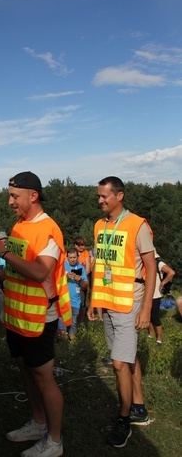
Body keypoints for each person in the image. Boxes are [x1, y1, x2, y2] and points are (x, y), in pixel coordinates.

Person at [0, 171, 71, 457]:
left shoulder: (48, 229)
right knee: (26, 370)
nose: (10, 202)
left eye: (14, 196)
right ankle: (38, 422)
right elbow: (19, 267)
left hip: (39, 318)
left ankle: (55, 441)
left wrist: (3, 253)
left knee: (43, 377)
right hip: (17, 315)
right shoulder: (20, 226)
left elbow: (39, 271)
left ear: (32, 196)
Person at [87, 176, 156, 449]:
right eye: (98, 196)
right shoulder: (98, 226)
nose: (100, 200)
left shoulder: (137, 224)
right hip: (107, 300)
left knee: (118, 364)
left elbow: (150, 268)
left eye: (104, 196)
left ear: (120, 196)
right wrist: (95, 299)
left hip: (130, 302)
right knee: (127, 359)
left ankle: (124, 420)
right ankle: (138, 407)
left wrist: (147, 307)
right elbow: (99, 263)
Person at [148, 250, 175, 344]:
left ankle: (159, 337)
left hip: (155, 294)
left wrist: (163, 283)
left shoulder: (159, 263)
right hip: (145, 293)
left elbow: (171, 272)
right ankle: (151, 333)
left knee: (155, 316)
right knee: (148, 315)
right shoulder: (145, 264)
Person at [63, 247, 88, 341]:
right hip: (64, 300)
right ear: (67, 257)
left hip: (75, 300)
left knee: (73, 323)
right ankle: (62, 344)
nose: (72, 259)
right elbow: (55, 281)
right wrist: (66, 277)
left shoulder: (81, 267)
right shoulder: (63, 266)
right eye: (70, 257)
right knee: (62, 324)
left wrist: (80, 279)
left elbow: (86, 285)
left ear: (77, 257)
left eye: (74, 257)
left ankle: (72, 343)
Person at [74, 236, 92, 325]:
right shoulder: (71, 254)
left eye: (83, 245)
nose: (82, 247)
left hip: (82, 280)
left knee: (83, 301)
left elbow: (88, 269)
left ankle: (80, 321)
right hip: (72, 281)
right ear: (76, 245)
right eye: (80, 245)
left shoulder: (86, 253)